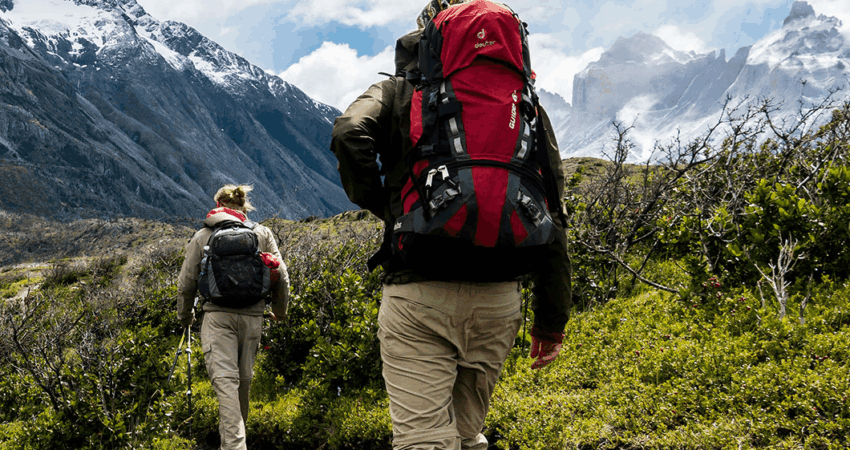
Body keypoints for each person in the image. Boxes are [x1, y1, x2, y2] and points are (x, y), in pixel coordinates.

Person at [329, 1, 572, 449]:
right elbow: (552, 210)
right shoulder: (527, 105)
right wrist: (551, 321)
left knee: (424, 438)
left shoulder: (398, 91)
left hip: (420, 294)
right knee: (465, 434)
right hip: (499, 302)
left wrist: (389, 207)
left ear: (430, 35)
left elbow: (348, 133)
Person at [177, 184, 290, 450]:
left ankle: (235, 446)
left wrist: (185, 317)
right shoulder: (262, 233)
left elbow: (186, 284)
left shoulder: (203, 236)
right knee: (243, 384)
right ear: (243, 207)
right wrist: (280, 311)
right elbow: (282, 275)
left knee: (226, 385)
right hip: (253, 318)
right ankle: (236, 443)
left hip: (218, 319)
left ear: (217, 206)